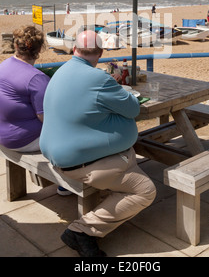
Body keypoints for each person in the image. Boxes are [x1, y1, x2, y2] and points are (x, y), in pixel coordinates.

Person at [40, 30, 156, 257]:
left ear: (74, 50)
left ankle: (121, 172)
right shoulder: (99, 79)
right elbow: (133, 109)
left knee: (128, 160)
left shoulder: (61, 72)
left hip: (57, 154)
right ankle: (82, 230)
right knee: (145, 191)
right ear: (100, 53)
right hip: (80, 164)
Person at [0, 25, 50, 152]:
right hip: (21, 140)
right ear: (39, 50)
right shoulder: (37, 79)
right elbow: (45, 118)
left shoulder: (2, 66)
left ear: (16, 46)